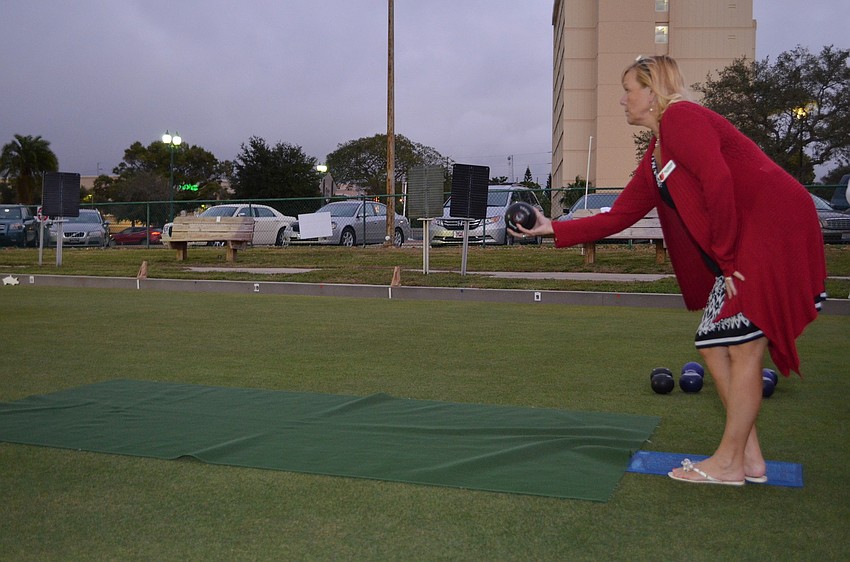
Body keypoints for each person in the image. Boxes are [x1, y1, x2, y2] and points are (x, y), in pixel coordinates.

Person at [513, 55, 827, 486]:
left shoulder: (682, 118)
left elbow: (717, 181)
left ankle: (730, 463)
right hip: (747, 237)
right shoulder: (657, 155)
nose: (623, 101)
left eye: (629, 90)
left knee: (743, 347)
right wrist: (552, 228)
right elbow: (620, 214)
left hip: (771, 225)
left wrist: (728, 259)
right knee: (715, 344)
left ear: (653, 90)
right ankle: (748, 458)